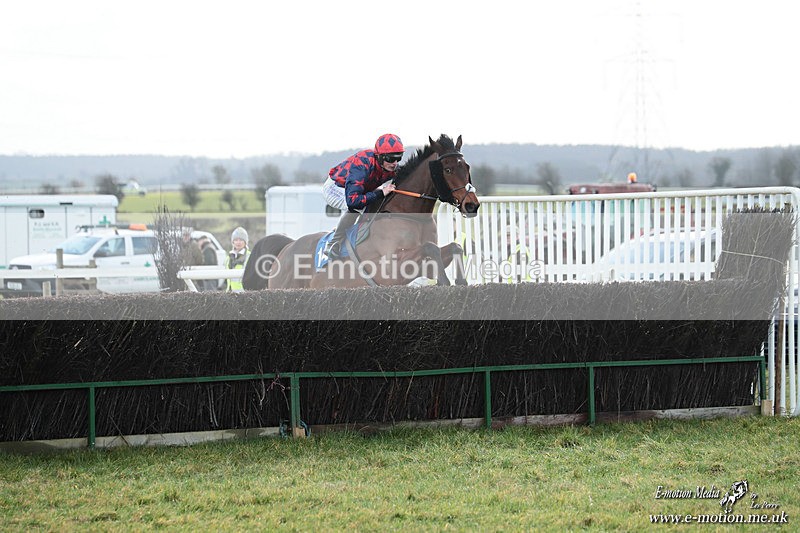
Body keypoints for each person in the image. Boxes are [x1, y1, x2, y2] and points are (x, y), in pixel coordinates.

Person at [322, 133, 403, 260]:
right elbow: (353, 201)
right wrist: (380, 192)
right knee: (359, 207)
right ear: (380, 157)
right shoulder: (362, 164)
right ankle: (333, 243)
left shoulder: (390, 167)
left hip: (357, 189)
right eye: (391, 159)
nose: (395, 163)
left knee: (377, 202)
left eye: (399, 158)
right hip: (336, 187)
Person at [226, 226, 250, 292]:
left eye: (241, 240)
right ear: (233, 242)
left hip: (244, 293)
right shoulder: (228, 257)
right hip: (229, 293)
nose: (238, 242)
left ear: (245, 242)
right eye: (236, 240)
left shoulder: (249, 256)